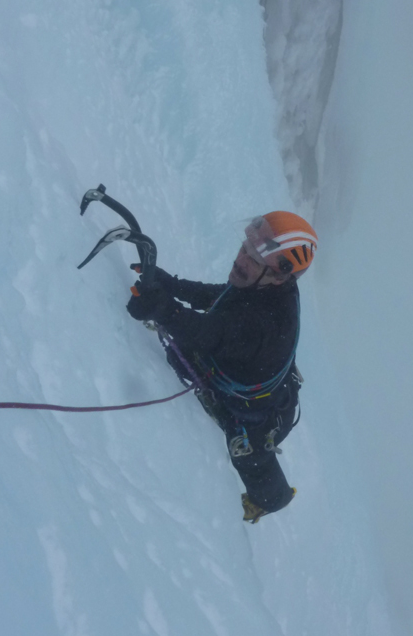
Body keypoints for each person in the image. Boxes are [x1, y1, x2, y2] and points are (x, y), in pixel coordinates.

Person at [126, 211, 318, 523]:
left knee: (252, 461)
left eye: (254, 260)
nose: (241, 260)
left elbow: (211, 334)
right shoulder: (268, 285)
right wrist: (171, 286)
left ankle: (272, 500)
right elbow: (223, 300)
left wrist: (163, 309)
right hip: (264, 385)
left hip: (256, 418)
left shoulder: (264, 324)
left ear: (279, 276)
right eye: (245, 248)